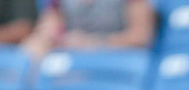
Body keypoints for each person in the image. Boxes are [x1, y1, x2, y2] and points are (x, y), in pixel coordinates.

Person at [21, 0, 156, 61]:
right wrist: (45, 39)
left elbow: (140, 37)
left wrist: (94, 43)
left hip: (118, 63)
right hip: (75, 65)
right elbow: (49, 26)